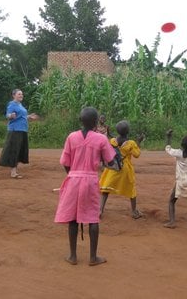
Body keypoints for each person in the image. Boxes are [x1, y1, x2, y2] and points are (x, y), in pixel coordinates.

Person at [54, 107, 116, 266]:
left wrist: (73, 173)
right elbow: (110, 161)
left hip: (73, 179)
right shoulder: (101, 139)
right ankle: (93, 257)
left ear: (80, 121)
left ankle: (73, 256)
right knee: (93, 217)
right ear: (96, 122)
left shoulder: (71, 137)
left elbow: (65, 162)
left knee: (73, 218)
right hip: (90, 180)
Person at [99, 120, 145, 219]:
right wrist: (139, 142)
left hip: (113, 167)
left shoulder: (113, 141)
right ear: (128, 131)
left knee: (106, 188)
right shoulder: (131, 143)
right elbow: (137, 154)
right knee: (131, 189)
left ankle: (100, 210)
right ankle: (134, 212)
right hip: (125, 169)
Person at [0, 89, 39, 179]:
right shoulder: (12, 104)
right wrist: (11, 116)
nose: (21, 95)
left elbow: (22, 117)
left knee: (20, 150)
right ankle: (13, 172)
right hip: (15, 130)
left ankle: (14, 170)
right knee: (14, 150)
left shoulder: (20, 105)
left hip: (23, 130)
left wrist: (29, 117)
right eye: (19, 94)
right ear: (14, 95)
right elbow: (8, 115)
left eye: (22, 94)